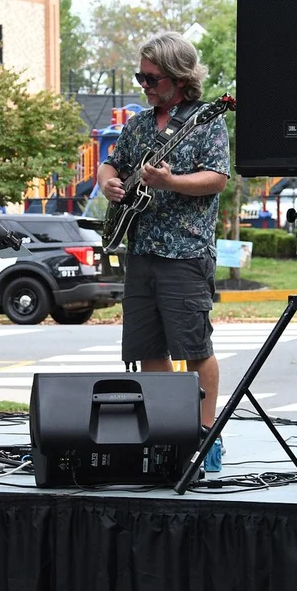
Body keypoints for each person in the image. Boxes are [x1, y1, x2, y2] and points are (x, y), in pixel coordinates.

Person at [96, 31, 231, 450]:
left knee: (194, 346)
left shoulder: (205, 121)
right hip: (140, 251)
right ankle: (166, 431)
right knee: (149, 347)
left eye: (152, 79)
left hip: (185, 253)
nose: (145, 86)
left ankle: (206, 435)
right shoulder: (137, 124)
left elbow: (217, 179)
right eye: (141, 78)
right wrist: (109, 185)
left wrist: (171, 181)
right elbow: (110, 165)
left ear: (178, 77)